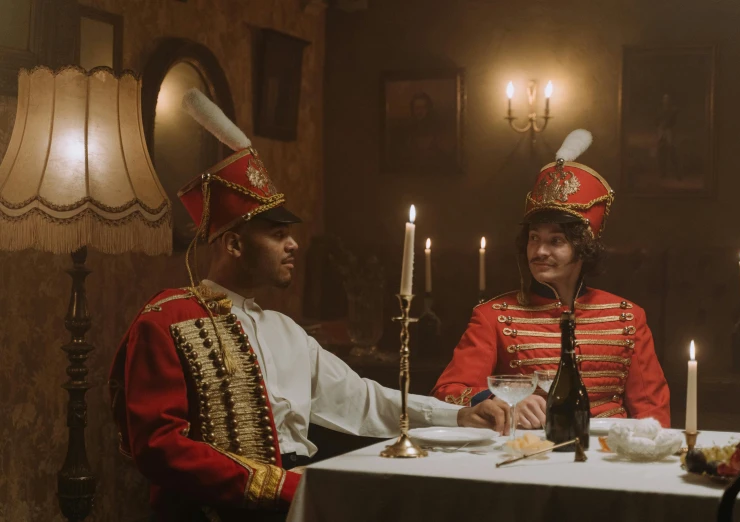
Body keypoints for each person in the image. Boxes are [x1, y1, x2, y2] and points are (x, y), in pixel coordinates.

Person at [109, 89, 506, 521]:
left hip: (302, 492)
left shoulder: (284, 329)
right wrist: (282, 487)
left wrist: (458, 415)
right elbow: (159, 446)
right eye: (278, 234)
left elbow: (362, 400)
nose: (294, 244)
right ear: (235, 244)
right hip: (217, 510)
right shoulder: (168, 318)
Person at [432, 129, 671, 430]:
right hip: (528, 453)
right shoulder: (491, 317)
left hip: (610, 457)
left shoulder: (630, 316)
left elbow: (654, 415)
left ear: (583, 248)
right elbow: (448, 393)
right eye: (534, 238)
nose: (540, 251)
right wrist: (500, 401)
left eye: (555, 241)